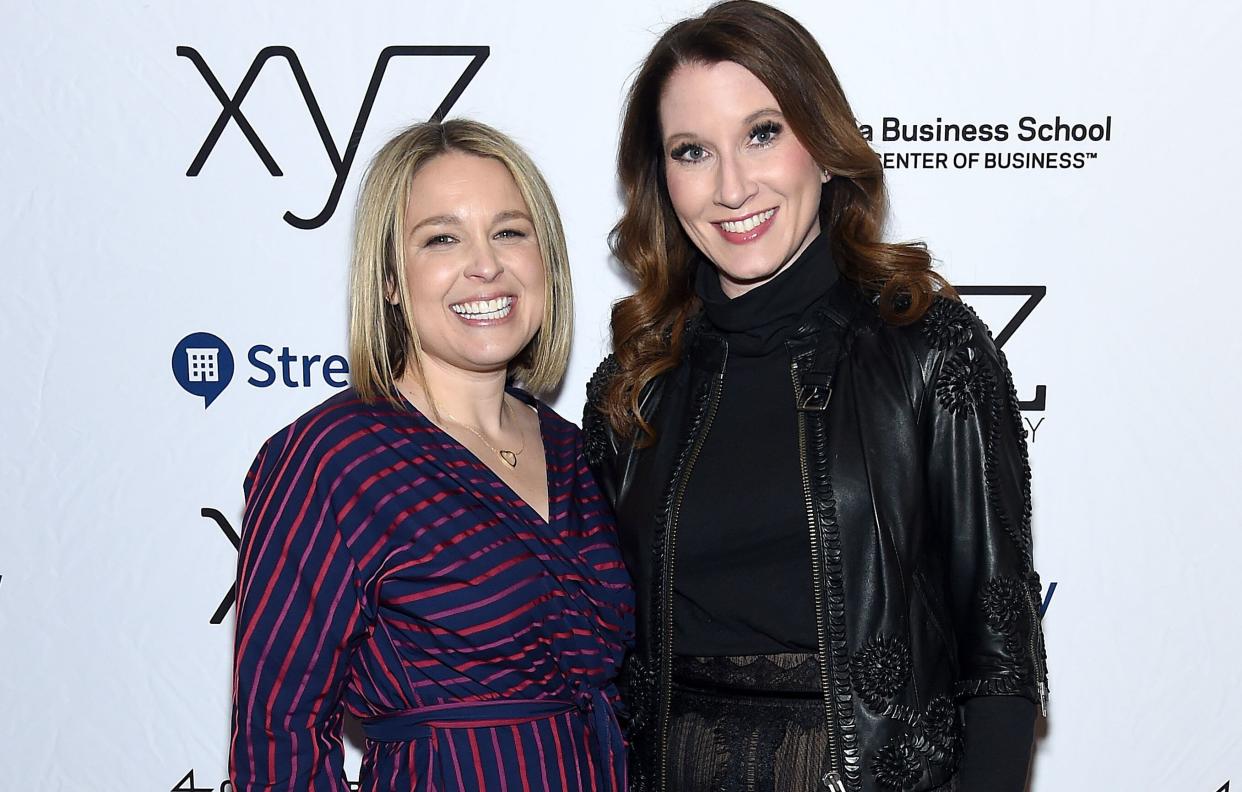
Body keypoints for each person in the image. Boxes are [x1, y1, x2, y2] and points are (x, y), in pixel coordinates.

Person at [582, 3, 1048, 791]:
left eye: (763, 133)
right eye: (692, 151)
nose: (732, 187)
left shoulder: (930, 351)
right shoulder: (634, 388)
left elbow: (999, 656)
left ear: (826, 151)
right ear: (662, 179)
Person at [230, 119, 634, 792]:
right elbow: (278, 736)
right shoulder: (332, 459)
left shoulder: (582, 451)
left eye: (510, 231)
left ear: (546, 261)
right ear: (389, 279)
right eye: (442, 238)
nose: (486, 264)